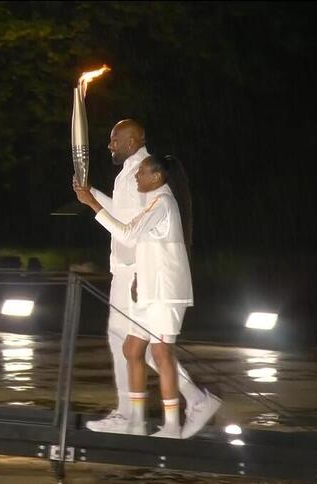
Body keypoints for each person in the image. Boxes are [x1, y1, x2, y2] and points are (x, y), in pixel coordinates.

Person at [74, 119, 220, 438]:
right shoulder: (131, 172)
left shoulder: (145, 175)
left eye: (114, 139)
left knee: (148, 347)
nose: (109, 144)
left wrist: (92, 202)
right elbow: (128, 219)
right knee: (130, 345)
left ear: (132, 141)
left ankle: (148, 412)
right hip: (135, 270)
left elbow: (132, 230)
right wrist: (91, 194)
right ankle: (138, 416)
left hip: (143, 275)